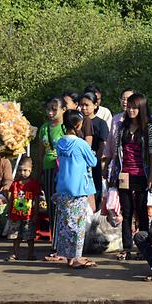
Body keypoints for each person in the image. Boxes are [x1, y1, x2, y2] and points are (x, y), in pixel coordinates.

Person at [107, 93, 152, 260]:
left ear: (141, 108)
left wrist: (151, 174)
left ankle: (143, 247)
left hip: (141, 173)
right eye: (129, 106)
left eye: (134, 107)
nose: (130, 110)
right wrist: (113, 172)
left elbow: (151, 153)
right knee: (126, 213)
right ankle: (127, 247)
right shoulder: (122, 127)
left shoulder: (149, 127)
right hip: (124, 173)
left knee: (142, 212)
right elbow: (117, 153)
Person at [54, 109, 98, 269]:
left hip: (62, 187)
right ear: (77, 124)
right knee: (78, 225)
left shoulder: (60, 142)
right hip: (78, 188)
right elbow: (93, 161)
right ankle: (77, 257)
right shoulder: (81, 143)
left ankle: (69, 258)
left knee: (66, 224)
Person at [38, 95, 66, 260]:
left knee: (63, 208)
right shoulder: (43, 128)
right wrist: (38, 173)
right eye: (48, 109)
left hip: (63, 172)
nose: (50, 113)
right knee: (51, 207)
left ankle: (62, 244)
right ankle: (55, 244)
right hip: (48, 171)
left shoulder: (65, 127)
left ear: (63, 110)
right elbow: (40, 152)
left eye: (54, 109)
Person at [5, 158, 40, 262]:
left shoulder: (33, 184)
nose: (22, 173)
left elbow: (36, 200)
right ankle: (15, 254)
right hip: (16, 215)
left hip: (28, 215)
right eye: (20, 170)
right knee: (16, 237)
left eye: (25, 170)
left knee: (30, 237)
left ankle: (31, 254)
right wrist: (9, 210)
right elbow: (11, 198)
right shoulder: (15, 184)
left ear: (30, 170)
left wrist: (36, 214)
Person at [78, 92, 109, 208]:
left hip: (94, 162)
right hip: (80, 163)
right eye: (81, 105)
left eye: (87, 105)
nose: (84, 108)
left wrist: (97, 162)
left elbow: (103, 144)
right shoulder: (77, 122)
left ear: (95, 105)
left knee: (95, 190)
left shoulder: (101, 123)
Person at [103, 88, 135, 171]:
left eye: (128, 99)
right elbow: (110, 143)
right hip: (117, 165)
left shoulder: (139, 121)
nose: (125, 102)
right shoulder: (116, 119)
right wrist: (106, 166)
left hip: (135, 165)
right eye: (123, 99)